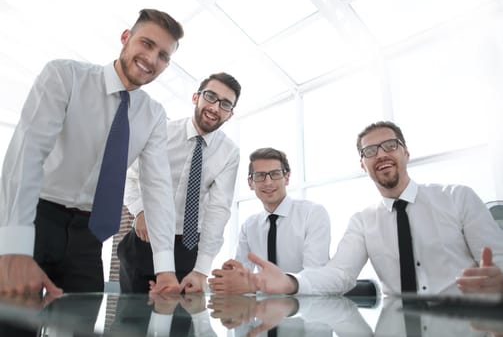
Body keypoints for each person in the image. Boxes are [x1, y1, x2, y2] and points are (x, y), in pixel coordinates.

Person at [0, 9, 184, 297]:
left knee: (80, 329)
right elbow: (27, 156)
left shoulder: (154, 114)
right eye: (147, 44)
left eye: (163, 56)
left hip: (88, 233)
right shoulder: (65, 76)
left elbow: (158, 189)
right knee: (13, 324)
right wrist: (13, 247)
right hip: (36, 215)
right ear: (126, 37)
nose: (152, 59)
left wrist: (165, 270)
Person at [246, 121, 503, 295]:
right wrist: (292, 282)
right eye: (370, 151)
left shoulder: (458, 198)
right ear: (362, 164)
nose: (381, 155)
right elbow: (340, 274)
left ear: (406, 153)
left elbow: (498, 260)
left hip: (467, 329)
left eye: (390, 146)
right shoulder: (363, 221)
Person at [118, 72, 241, 293]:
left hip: (188, 248)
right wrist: (139, 212)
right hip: (147, 238)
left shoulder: (229, 152)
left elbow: (218, 209)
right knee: (133, 322)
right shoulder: (161, 132)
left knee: (181, 324)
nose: (215, 107)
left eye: (225, 104)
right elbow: (129, 175)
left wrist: (202, 269)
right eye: (210, 96)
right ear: (196, 97)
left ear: (230, 114)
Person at [209, 147, 331, 294]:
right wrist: (232, 276)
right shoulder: (249, 226)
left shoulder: (313, 213)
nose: (268, 182)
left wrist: (256, 283)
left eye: (275, 174)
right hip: (263, 311)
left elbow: (315, 277)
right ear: (250, 183)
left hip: (307, 309)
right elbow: (243, 278)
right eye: (260, 175)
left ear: (287, 177)